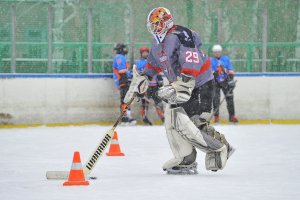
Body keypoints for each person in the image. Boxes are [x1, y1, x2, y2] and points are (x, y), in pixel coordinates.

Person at [124, 7, 235, 174]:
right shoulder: (157, 43)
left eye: (157, 24)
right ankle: (186, 159)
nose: (154, 28)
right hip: (180, 86)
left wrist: (184, 82)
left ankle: (220, 147)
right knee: (173, 121)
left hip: (200, 84)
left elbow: (192, 58)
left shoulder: (181, 34)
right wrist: (145, 78)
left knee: (192, 124)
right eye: (152, 25)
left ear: (165, 22)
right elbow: (153, 64)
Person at [135, 46, 165, 125]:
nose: (145, 53)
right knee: (145, 104)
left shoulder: (152, 61)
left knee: (158, 102)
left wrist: (160, 78)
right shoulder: (139, 63)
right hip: (145, 87)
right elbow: (138, 74)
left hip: (154, 86)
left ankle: (163, 117)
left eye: (146, 52)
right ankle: (145, 118)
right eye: (143, 52)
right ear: (141, 54)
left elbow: (158, 70)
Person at [211, 44, 238, 123]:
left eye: (218, 52)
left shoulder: (226, 59)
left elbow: (231, 70)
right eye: (215, 52)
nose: (217, 53)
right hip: (215, 82)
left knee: (230, 99)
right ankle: (216, 116)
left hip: (226, 82)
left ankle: (232, 116)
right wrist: (214, 73)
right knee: (215, 99)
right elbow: (210, 72)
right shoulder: (210, 60)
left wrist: (231, 80)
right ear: (213, 53)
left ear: (221, 52)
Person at [112, 43, 136, 125]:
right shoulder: (120, 57)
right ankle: (125, 117)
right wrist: (125, 80)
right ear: (121, 49)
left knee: (126, 99)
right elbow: (122, 71)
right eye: (124, 48)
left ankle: (126, 116)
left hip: (123, 80)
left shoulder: (121, 57)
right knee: (125, 99)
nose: (126, 50)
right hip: (122, 80)